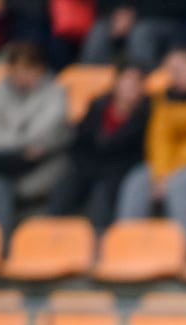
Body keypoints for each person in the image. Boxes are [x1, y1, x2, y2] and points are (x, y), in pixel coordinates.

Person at [0, 42, 71, 237]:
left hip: (41, 167)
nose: (20, 76)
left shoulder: (55, 94)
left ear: (40, 69)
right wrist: (19, 142)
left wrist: (3, 137)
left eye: (27, 70)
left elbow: (43, 134)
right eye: (15, 70)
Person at [113, 46, 186, 238]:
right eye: (172, 71)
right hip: (167, 166)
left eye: (183, 67)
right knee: (137, 180)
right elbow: (159, 139)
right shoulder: (164, 99)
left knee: (181, 185)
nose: (178, 74)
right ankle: (127, 241)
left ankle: (185, 247)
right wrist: (162, 172)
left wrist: (172, 173)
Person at [46, 62, 150, 231]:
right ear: (116, 82)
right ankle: (49, 236)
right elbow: (80, 141)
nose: (130, 87)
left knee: (102, 195)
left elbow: (139, 152)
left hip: (119, 170)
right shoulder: (98, 105)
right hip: (89, 165)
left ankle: (98, 243)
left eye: (136, 83)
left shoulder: (147, 113)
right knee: (65, 187)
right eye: (127, 81)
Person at [82, 1, 186, 70]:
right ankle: (93, 87)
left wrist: (135, 15)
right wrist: (116, 15)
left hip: (166, 21)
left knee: (141, 33)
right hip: (122, 20)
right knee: (98, 31)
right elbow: (103, 5)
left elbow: (181, 6)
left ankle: (138, 82)